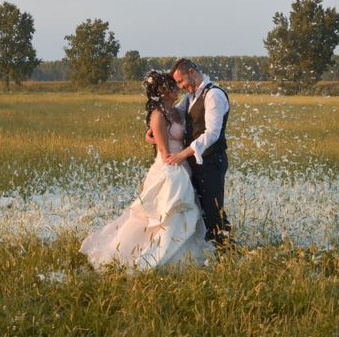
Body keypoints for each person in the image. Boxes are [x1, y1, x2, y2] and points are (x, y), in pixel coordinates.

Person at [80, 70, 211, 270]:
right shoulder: (157, 115)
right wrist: (175, 157)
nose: (176, 88)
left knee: (182, 213)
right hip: (169, 168)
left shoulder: (175, 110)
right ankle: (147, 254)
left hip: (182, 164)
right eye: (170, 85)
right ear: (160, 90)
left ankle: (184, 253)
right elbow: (164, 151)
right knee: (164, 213)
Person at [147, 58, 232, 248]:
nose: (180, 86)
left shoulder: (213, 95)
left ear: (192, 72)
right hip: (194, 164)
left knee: (213, 209)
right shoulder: (191, 96)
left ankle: (227, 251)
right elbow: (171, 115)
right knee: (199, 209)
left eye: (181, 81)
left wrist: (183, 154)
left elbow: (212, 134)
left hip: (211, 161)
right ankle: (209, 248)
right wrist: (154, 130)